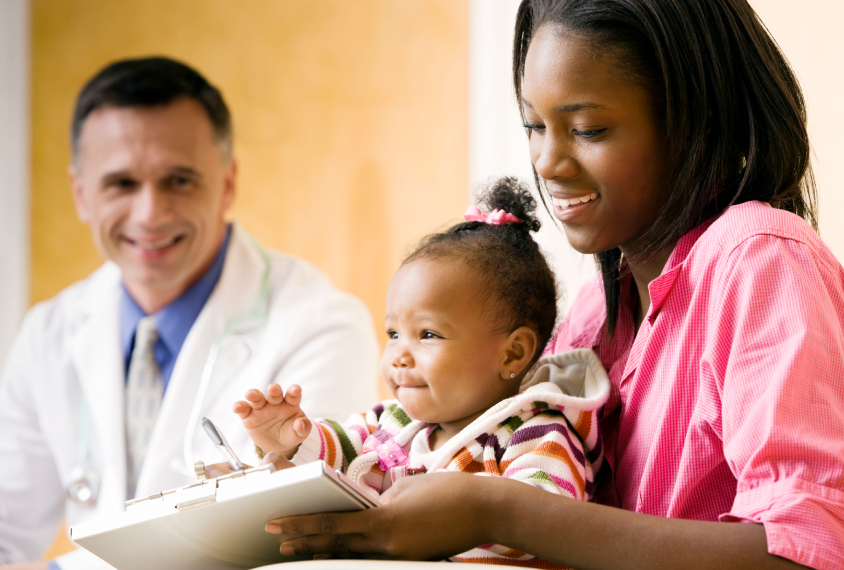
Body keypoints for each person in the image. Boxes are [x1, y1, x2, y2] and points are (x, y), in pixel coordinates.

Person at [261, 1, 844, 569]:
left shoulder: (762, 260)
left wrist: (500, 513)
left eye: (588, 129)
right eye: (534, 126)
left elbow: (807, 549)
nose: (546, 161)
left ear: (695, 122)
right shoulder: (594, 315)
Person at [0, 57, 379, 570]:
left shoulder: (323, 327)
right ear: (81, 194)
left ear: (227, 183)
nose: (150, 213)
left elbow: (291, 548)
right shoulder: (47, 333)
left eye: (179, 180)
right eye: (121, 184)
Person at [236, 178, 611, 566]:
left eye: (428, 334)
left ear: (513, 354)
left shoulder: (536, 434)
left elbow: (543, 524)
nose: (398, 354)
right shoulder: (392, 422)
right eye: (393, 333)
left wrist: (465, 513)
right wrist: (293, 441)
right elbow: (340, 453)